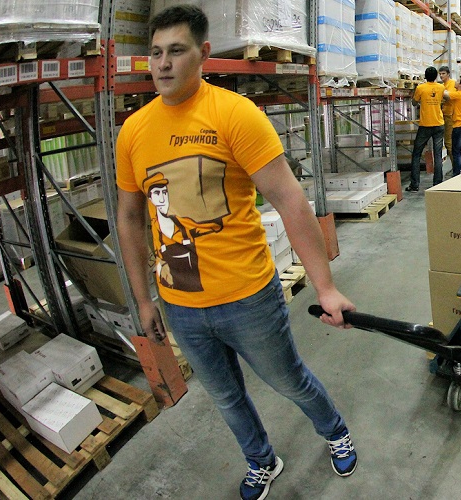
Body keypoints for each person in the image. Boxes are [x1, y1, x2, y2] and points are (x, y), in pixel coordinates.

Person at [116, 7, 358, 499]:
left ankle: (334, 431)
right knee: (226, 398)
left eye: (176, 51)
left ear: (203, 54)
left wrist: (325, 287)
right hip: (180, 303)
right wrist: (144, 300)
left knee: (288, 381)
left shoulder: (234, 114)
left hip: (247, 298)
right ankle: (261, 461)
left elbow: (290, 200)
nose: (163, 64)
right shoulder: (134, 131)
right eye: (156, 54)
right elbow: (128, 217)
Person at [408, 66, 450, 191]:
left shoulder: (420, 88)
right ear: (436, 77)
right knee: (437, 154)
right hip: (439, 124)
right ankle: (437, 183)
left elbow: (414, 103)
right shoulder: (441, 87)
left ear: (425, 77)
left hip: (425, 125)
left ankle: (414, 185)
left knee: (416, 154)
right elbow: (446, 97)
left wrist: (421, 99)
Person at [438, 66, 456, 164]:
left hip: (450, 114)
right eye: (440, 74)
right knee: (448, 141)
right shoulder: (443, 85)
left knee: (449, 142)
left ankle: (455, 167)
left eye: (443, 73)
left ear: (448, 74)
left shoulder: (452, 83)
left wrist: (439, 92)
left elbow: (450, 96)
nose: (441, 76)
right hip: (444, 114)